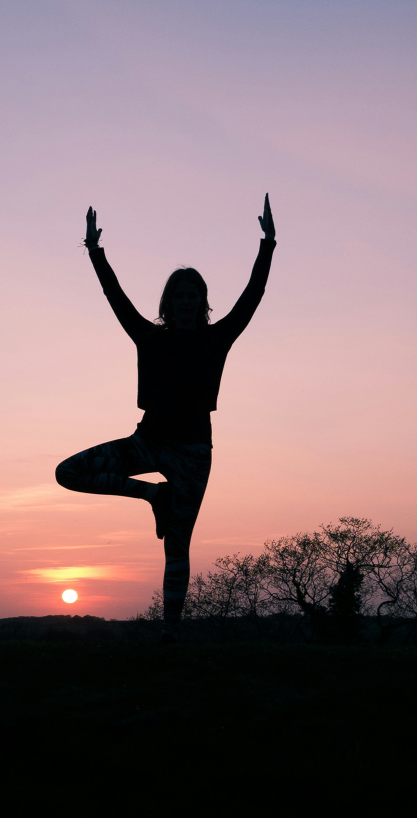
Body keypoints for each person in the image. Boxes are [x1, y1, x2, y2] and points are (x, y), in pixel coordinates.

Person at [55, 194, 276, 641]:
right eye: (180, 295)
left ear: (203, 301)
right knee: (68, 472)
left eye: (193, 295)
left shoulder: (218, 338)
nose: (187, 302)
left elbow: (253, 295)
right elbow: (114, 297)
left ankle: (170, 633)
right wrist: (95, 251)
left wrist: (268, 243)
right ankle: (151, 497)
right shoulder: (148, 338)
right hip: (147, 443)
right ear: (169, 302)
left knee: (178, 547)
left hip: (193, 454)